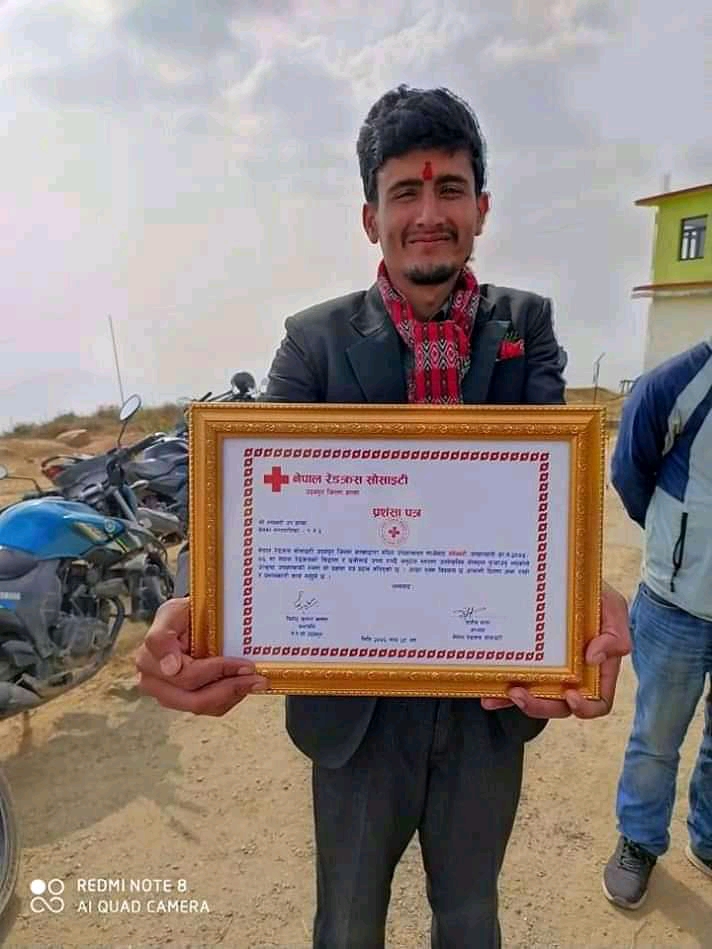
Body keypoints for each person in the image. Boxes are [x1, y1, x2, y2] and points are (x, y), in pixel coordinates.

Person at [135, 85, 631, 948]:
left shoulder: (526, 326)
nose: (428, 214)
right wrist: (193, 602)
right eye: (405, 192)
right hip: (354, 710)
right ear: (372, 217)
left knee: (470, 915)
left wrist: (586, 591)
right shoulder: (315, 342)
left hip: (485, 702)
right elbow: (245, 494)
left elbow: (554, 495)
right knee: (348, 922)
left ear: (481, 209)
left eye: (449, 190)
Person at [603, 338, 712, 910]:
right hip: (676, 608)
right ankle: (640, 841)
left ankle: (709, 837)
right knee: (656, 739)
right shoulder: (676, 382)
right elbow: (630, 474)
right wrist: (678, 549)